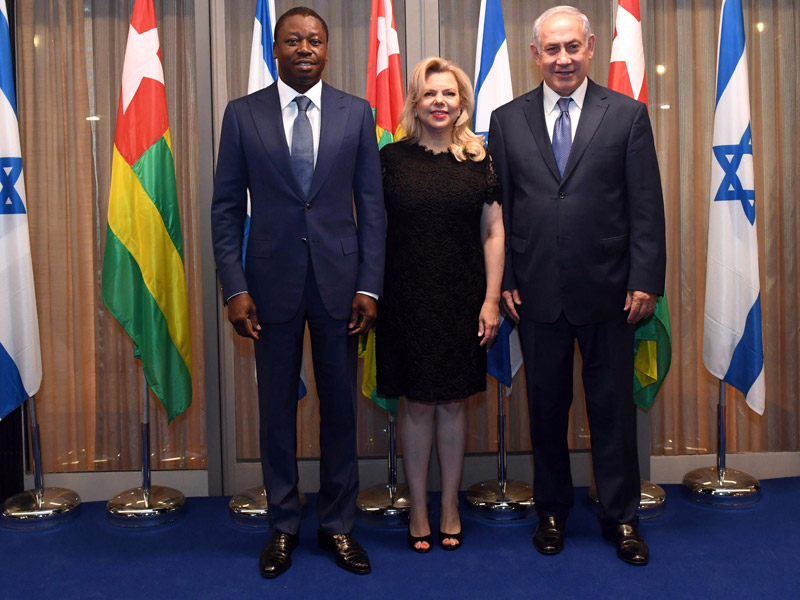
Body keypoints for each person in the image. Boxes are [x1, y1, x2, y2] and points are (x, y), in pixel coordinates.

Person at [489, 6, 666, 566]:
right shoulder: (506, 119)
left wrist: (646, 279)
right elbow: (499, 211)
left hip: (611, 293)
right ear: (535, 54)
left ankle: (621, 517)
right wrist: (508, 279)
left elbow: (646, 206)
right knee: (546, 410)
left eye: (572, 47)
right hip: (535, 291)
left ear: (591, 47)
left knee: (611, 410)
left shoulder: (628, 115)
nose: (562, 58)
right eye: (551, 49)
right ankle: (551, 512)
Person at [211, 7, 384, 578]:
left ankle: (338, 527)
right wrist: (234, 288)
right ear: (277, 50)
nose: (304, 47)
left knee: (339, 412)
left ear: (327, 49)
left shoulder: (356, 113)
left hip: (342, 289)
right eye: (293, 40)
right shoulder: (242, 115)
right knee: (277, 412)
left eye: (314, 40)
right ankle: (283, 525)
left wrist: (369, 284)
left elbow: (372, 207)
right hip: (268, 288)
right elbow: (226, 209)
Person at [376, 57, 504, 553]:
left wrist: (491, 301)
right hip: (405, 298)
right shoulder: (390, 160)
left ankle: (449, 505)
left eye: (449, 94)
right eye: (430, 93)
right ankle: (419, 507)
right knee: (415, 404)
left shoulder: (479, 159)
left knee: (452, 403)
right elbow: (372, 229)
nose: (439, 102)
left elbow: (494, 234)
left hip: (462, 298)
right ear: (415, 101)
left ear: (462, 103)